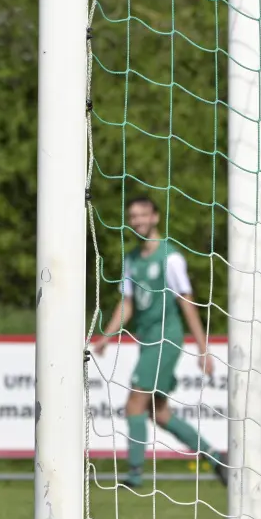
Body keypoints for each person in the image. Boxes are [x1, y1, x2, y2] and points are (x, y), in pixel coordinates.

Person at [93, 196, 224, 489]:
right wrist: (107, 337)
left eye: (143, 215)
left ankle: (135, 476)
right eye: (133, 216)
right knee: (159, 413)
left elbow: (187, 302)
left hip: (166, 339)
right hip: (146, 339)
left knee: (134, 405)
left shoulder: (171, 257)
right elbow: (127, 304)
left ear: (155, 218)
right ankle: (216, 459)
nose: (138, 221)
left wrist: (203, 348)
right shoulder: (132, 259)